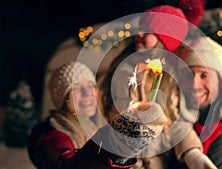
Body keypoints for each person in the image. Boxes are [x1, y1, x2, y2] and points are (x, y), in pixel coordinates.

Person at [99, 3, 217, 169]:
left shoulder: (172, 78)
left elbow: (177, 123)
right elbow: (120, 125)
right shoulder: (126, 74)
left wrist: (192, 152)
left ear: (165, 39)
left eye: (147, 31)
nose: (138, 34)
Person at [27, 61, 167, 169]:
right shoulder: (51, 135)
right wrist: (115, 142)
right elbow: (68, 166)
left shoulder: (100, 123)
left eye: (90, 86)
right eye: (76, 88)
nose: (87, 93)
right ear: (63, 98)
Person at [171, 37, 222, 169]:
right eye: (188, 74)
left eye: (204, 75)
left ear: (221, 83)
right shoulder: (179, 119)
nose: (194, 84)